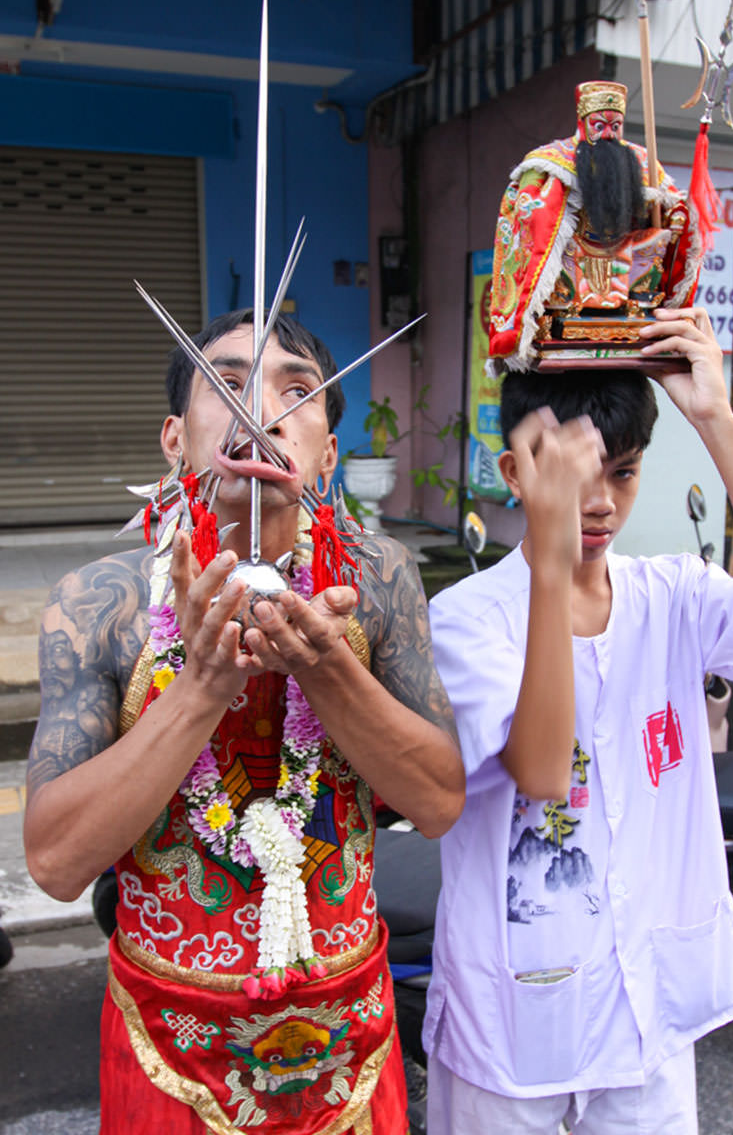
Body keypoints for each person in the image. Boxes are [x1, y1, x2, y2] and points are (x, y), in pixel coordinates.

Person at [24, 309, 465, 1134]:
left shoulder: (381, 581)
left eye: (297, 390)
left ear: (328, 451)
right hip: (171, 1044)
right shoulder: (101, 605)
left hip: (349, 1042)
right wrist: (197, 690)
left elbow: (438, 802)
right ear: (173, 437)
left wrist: (327, 668)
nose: (259, 412)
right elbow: (54, 861)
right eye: (225, 384)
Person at [423, 306, 733, 1134]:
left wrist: (718, 423)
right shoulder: (465, 619)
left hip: (644, 1014)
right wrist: (552, 567)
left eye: (622, 474)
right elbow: (543, 770)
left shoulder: (671, 593)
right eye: (573, 477)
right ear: (513, 473)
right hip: (513, 1028)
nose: (599, 503)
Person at [489, 81, 701, 369]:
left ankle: (635, 312)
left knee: (650, 249)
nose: (607, 134)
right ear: (583, 121)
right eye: (599, 125)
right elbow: (530, 208)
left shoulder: (641, 161)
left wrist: (674, 216)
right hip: (575, 249)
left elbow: (671, 201)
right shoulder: (554, 160)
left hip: (626, 250)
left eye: (615, 127)